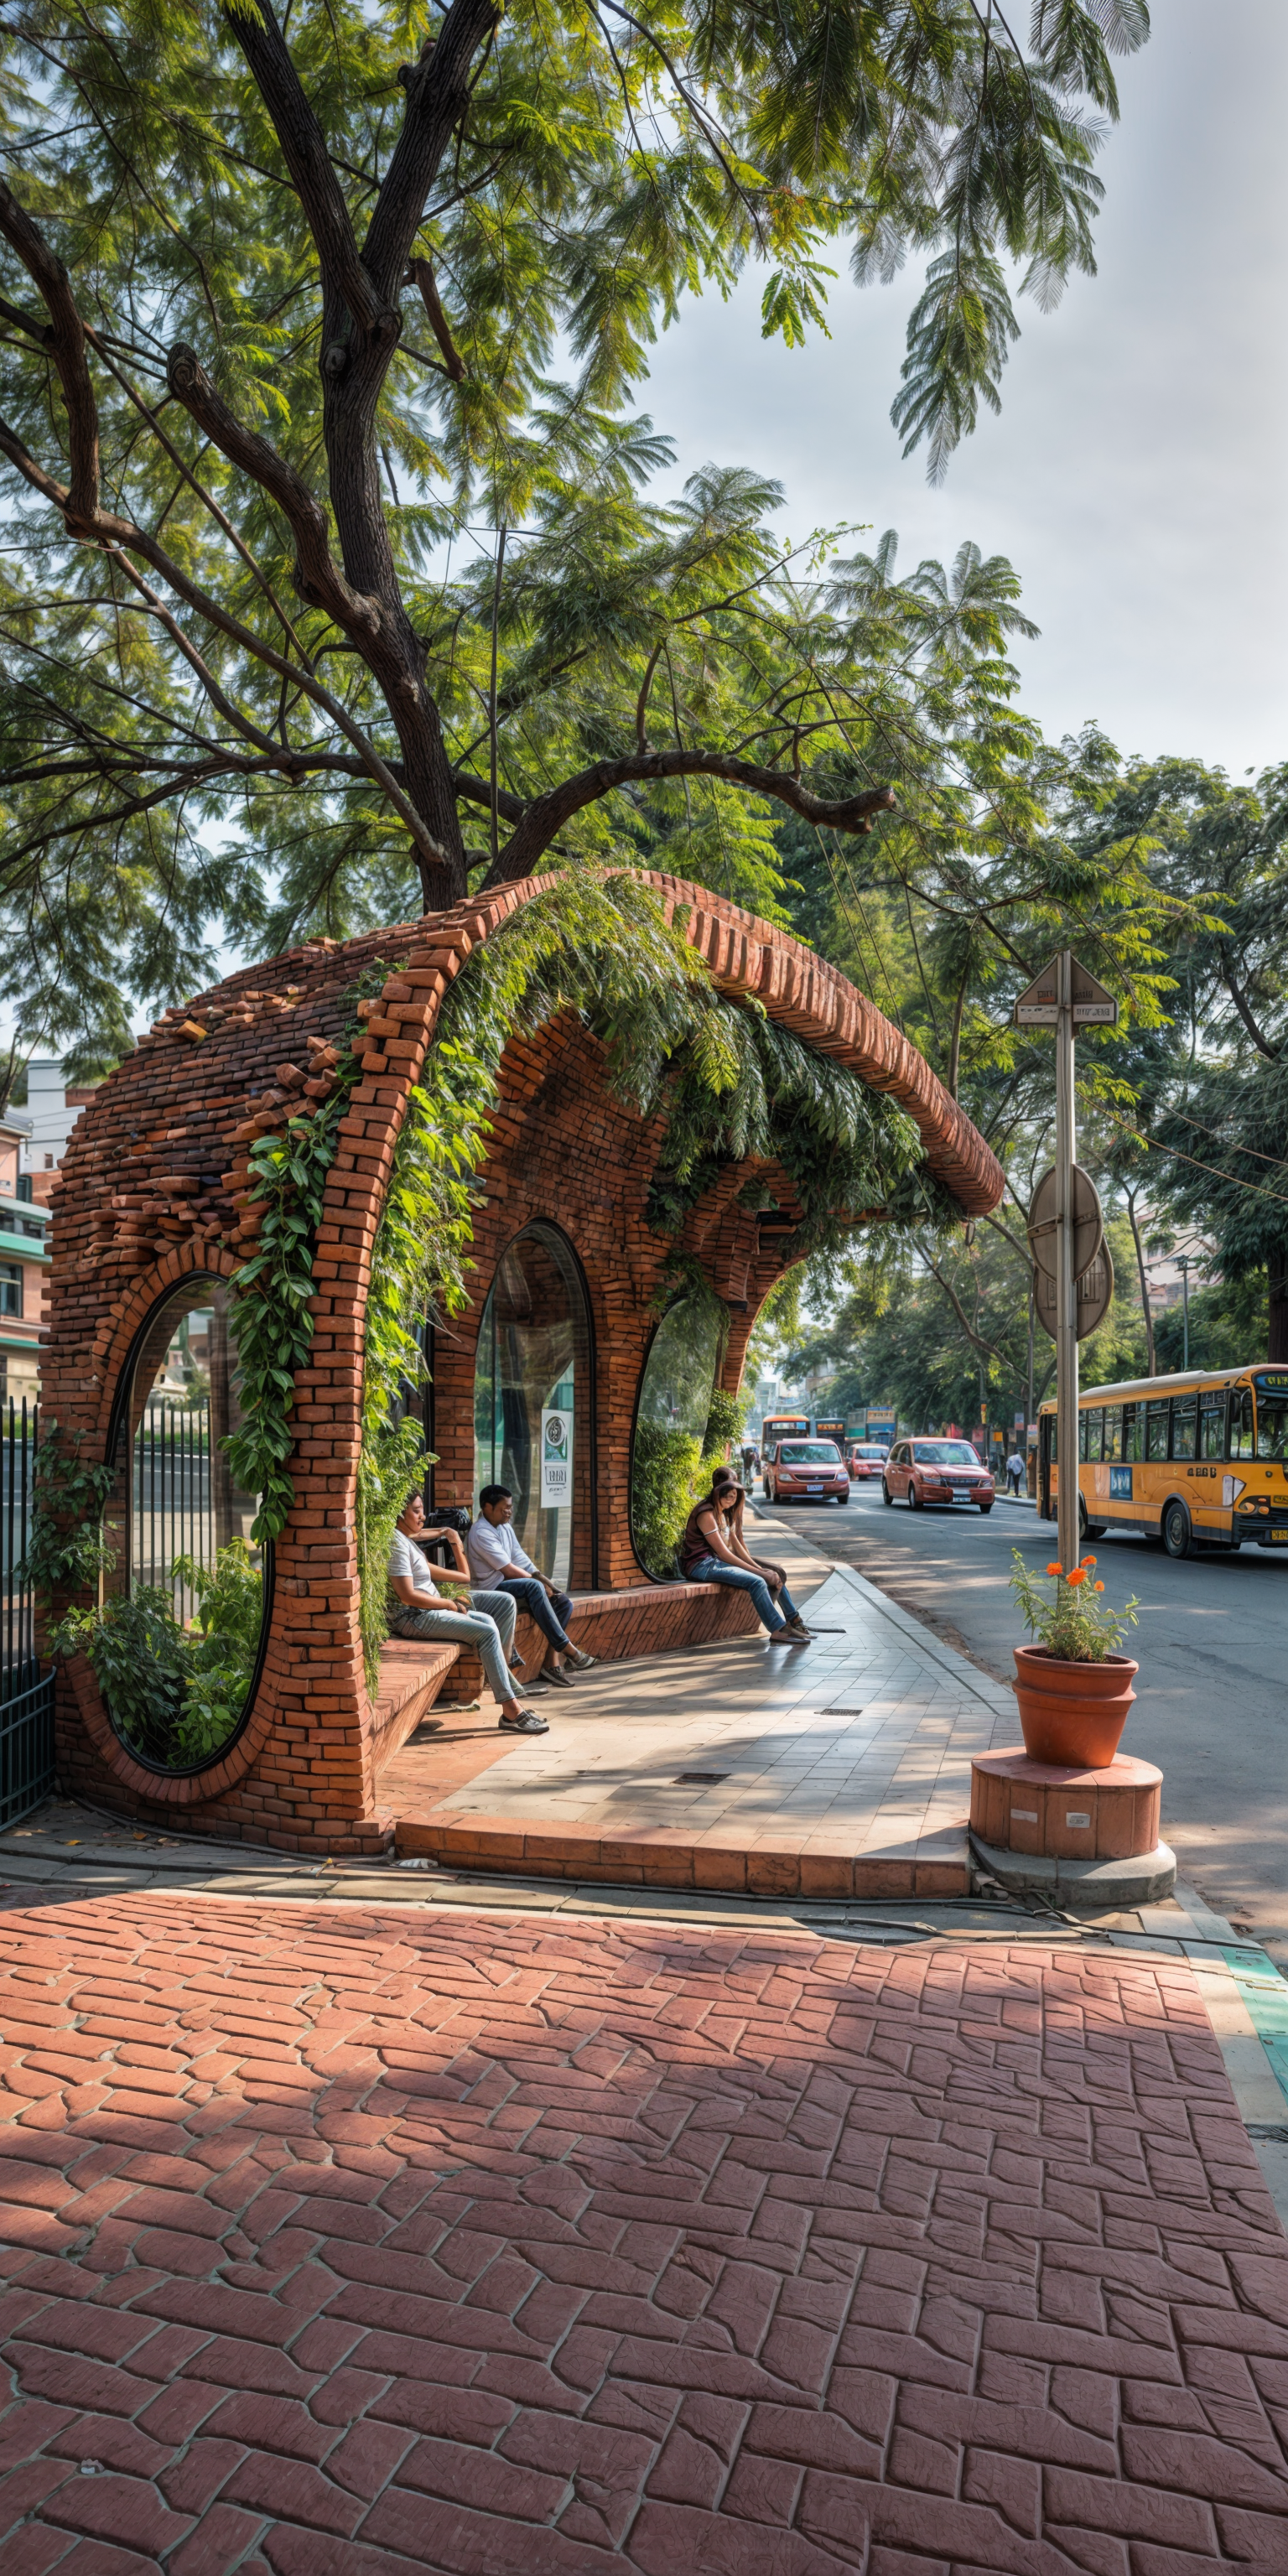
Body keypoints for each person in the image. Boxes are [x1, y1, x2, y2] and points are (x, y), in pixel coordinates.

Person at [388, 1493, 548, 1734]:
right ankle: (511, 1709)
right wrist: (447, 1604)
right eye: (417, 1511)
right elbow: (407, 1596)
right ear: (400, 1514)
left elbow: (461, 1576)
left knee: (488, 1619)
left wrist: (449, 1535)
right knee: (485, 1631)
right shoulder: (396, 1544)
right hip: (414, 1616)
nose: (423, 1517)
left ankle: (507, 1688)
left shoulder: (406, 1540)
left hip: (425, 1611)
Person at [465, 1484, 597, 1692]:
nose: (509, 1511)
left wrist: (548, 1583)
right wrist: (538, 1584)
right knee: (533, 1587)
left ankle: (551, 1662)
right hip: (492, 1589)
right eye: (504, 1508)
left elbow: (521, 1560)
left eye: (510, 1507)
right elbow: (508, 1570)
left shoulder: (504, 1527)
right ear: (487, 1507)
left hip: (510, 1585)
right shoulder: (481, 1532)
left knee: (562, 1602)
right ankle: (570, 1651)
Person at [679, 1467, 813, 1639]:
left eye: (735, 1492)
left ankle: (793, 1620)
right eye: (728, 1491)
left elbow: (735, 1543)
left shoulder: (723, 1512)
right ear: (718, 1489)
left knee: (775, 1573)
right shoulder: (706, 1513)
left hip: (716, 1562)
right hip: (702, 1566)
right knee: (757, 1582)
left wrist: (762, 1569)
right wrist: (760, 1573)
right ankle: (778, 1629)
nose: (732, 1496)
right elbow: (723, 1553)